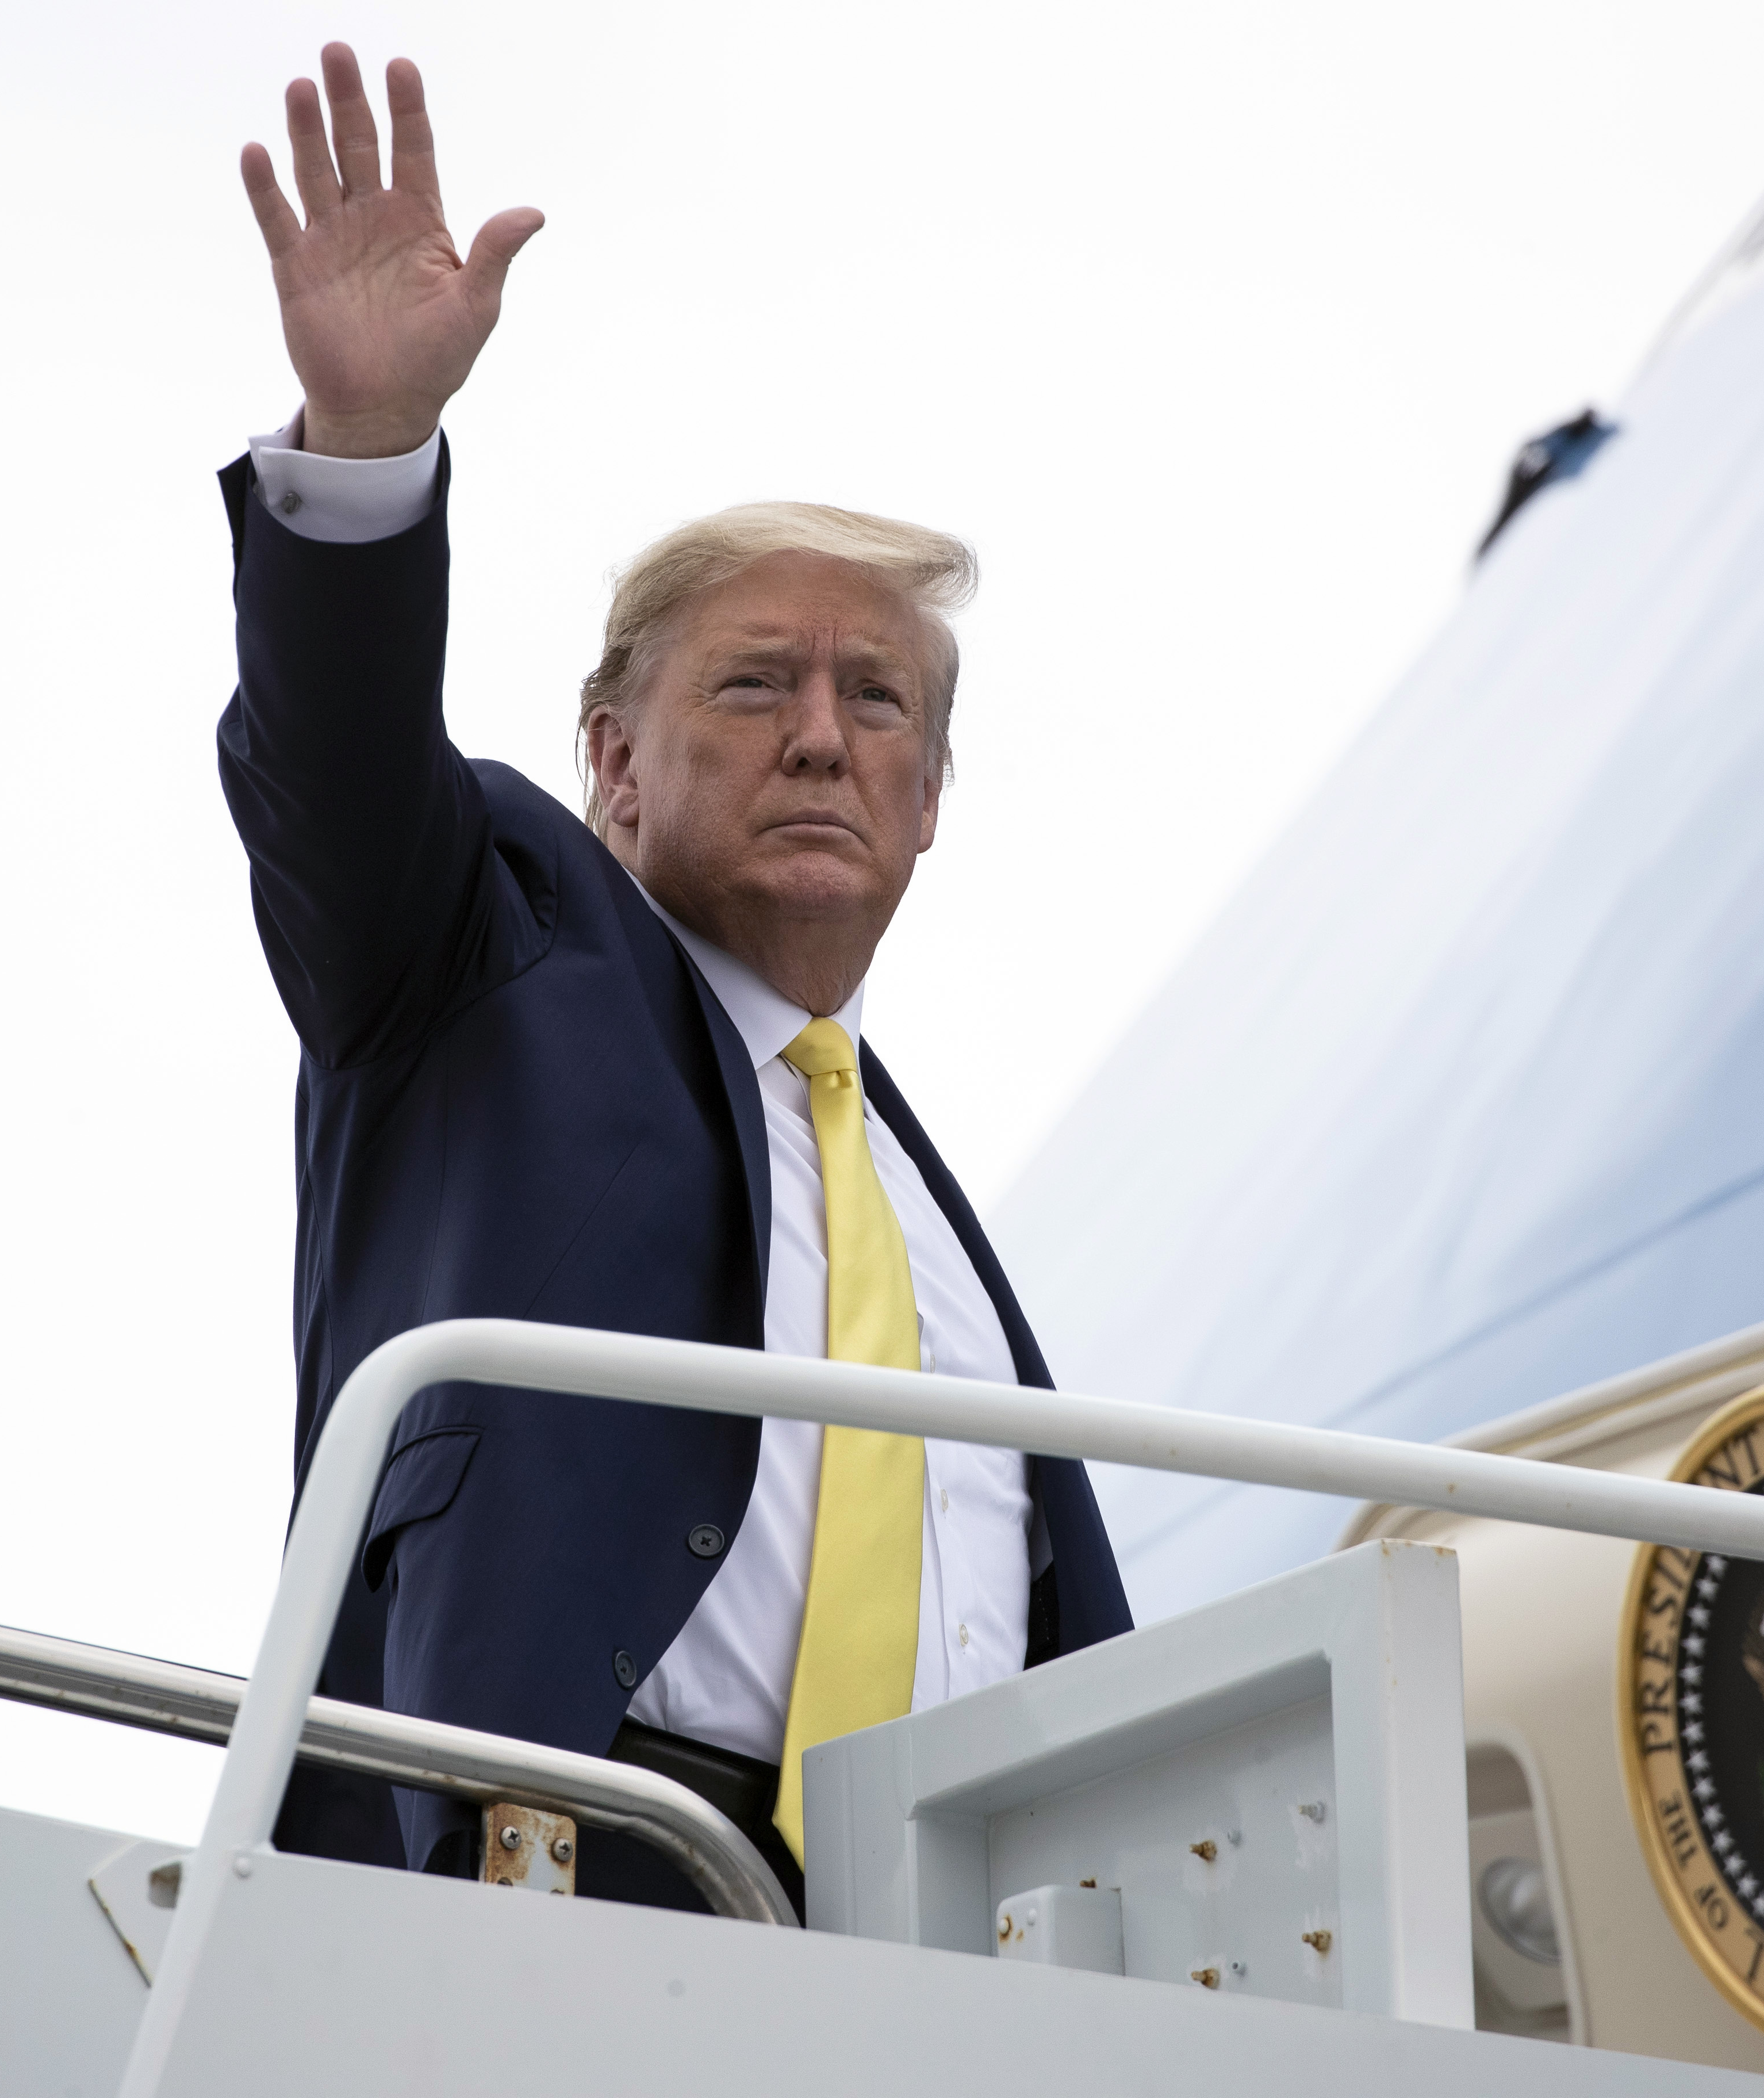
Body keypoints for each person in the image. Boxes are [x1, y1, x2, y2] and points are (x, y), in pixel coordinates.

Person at [221, 43, 1131, 1915]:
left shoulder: (929, 1227)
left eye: (875, 699)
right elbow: (337, 776)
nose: (821, 739)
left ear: (933, 797)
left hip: (948, 1956)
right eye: (753, 685)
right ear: (613, 764)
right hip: (558, 1876)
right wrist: (368, 448)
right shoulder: (489, 953)